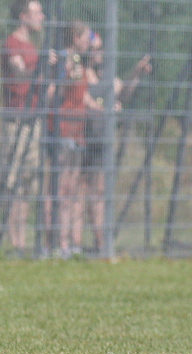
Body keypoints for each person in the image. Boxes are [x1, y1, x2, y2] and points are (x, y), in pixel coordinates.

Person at [82, 30, 151, 253]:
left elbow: (123, 93)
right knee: (78, 192)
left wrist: (137, 74)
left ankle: (101, 241)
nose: (99, 53)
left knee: (99, 191)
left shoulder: (107, 76)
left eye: (101, 49)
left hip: (101, 141)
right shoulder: (82, 74)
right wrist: (104, 110)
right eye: (94, 49)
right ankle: (72, 242)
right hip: (82, 138)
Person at [46, 20, 103, 257]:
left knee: (73, 189)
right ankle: (59, 244)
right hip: (62, 129)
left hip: (78, 131)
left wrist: (105, 108)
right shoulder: (64, 59)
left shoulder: (81, 63)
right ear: (75, 38)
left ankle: (71, 244)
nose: (88, 42)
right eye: (85, 37)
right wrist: (64, 76)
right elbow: (51, 94)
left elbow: (85, 98)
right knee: (61, 189)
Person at [0, 0, 46, 255]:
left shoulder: (33, 47)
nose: (41, 16)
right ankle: (12, 239)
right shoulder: (11, 44)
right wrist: (39, 68)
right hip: (15, 120)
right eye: (36, 12)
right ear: (22, 16)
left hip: (33, 120)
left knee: (28, 181)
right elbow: (19, 73)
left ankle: (22, 242)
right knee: (12, 181)